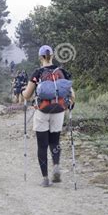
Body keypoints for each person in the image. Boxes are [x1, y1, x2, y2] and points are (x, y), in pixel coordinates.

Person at [22, 45, 75, 187]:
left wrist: (22, 93)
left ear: (40, 57)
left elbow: (27, 95)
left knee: (42, 145)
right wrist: (70, 105)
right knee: (54, 142)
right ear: (52, 56)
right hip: (58, 111)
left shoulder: (37, 73)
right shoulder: (62, 71)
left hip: (42, 111)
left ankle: (45, 179)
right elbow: (72, 95)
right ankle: (56, 165)